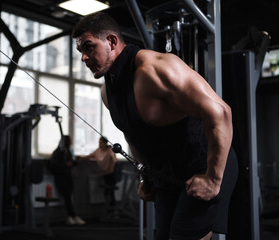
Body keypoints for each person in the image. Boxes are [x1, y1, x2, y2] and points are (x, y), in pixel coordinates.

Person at [72, 12, 238, 240]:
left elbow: (221, 113)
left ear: (111, 41)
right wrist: (146, 177)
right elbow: (133, 136)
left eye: (89, 47)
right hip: (167, 176)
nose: (84, 58)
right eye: (81, 51)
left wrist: (212, 180)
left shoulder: (156, 69)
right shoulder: (108, 91)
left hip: (203, 165)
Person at [50, 135, 86, 225]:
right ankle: (72, 216)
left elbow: (69, 163)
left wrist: (76, 162)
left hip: (67, 177)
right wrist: (66, 165)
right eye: (69, 141)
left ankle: (71, 216)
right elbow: (55, 166)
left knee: (69, 198)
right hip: (61, 178)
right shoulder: (58, 152)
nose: (70, 143)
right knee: (67, 198)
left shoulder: (67, 152)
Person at [80, 136, 118, 208]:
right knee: (106, 192)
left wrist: (116, 161)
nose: (100, 144)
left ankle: (113, 209)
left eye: (101, 143)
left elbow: (114, 157)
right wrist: (81, 158)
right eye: (99, 142)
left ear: (105, 143)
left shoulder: (110, 150)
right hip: (105, 174)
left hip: (111, 174)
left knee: (110, 192)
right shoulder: (98, 150)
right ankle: (109, 208)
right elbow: (90, 156)